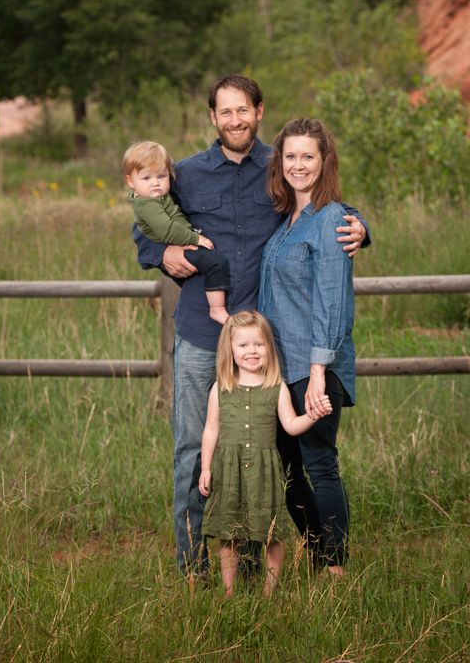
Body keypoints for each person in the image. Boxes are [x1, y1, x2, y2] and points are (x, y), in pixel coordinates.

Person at [133, 74, 370, 576]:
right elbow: (145, 219)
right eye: (225, 112)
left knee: (259, 454)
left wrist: (363, 228)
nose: (235, 120)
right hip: (203, 335)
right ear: (213, 118)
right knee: (196, 449)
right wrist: (163, 251)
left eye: (244, 110)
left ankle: (254, 558)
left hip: (265, 344)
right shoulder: (189, 173)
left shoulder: (280, 165)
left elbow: (325, 209)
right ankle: (195, 567)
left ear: (259, 111)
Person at [258, 117, 358, 578]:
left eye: (308, 156)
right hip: (280, 370)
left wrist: (318, 370)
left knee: (320, 465)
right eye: (291, 156)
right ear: (281, 161)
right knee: (288, 473)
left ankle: (334, 569)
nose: (298, 165)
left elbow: (332, 301)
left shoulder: (332, 218)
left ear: (324, 161)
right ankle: (319, 555)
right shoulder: (286, 220)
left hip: (314, 366)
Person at [199, 311, 332, 596]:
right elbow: (211, 429)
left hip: (265, 471)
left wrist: (313, 414)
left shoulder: (277, 387)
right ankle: (229, 592)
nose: (252, 351)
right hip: (229, 470)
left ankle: (269, 592)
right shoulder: (221, 388)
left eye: (258, 344)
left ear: (268, 348)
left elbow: (292, 425)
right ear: (230, 349)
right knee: (230, 534)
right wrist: (206, 468)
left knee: (271, 532)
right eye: (244, 345)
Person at [123, 140, 230, 325]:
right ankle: (217, 309)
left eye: (161, 176)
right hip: (181, 243)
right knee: (215, 263)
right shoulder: (148, 204)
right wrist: (195, 238)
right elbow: (166, 229)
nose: (155, 183)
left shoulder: (158, 197)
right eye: (146, 178)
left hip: (182, 240)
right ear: (130, 181)